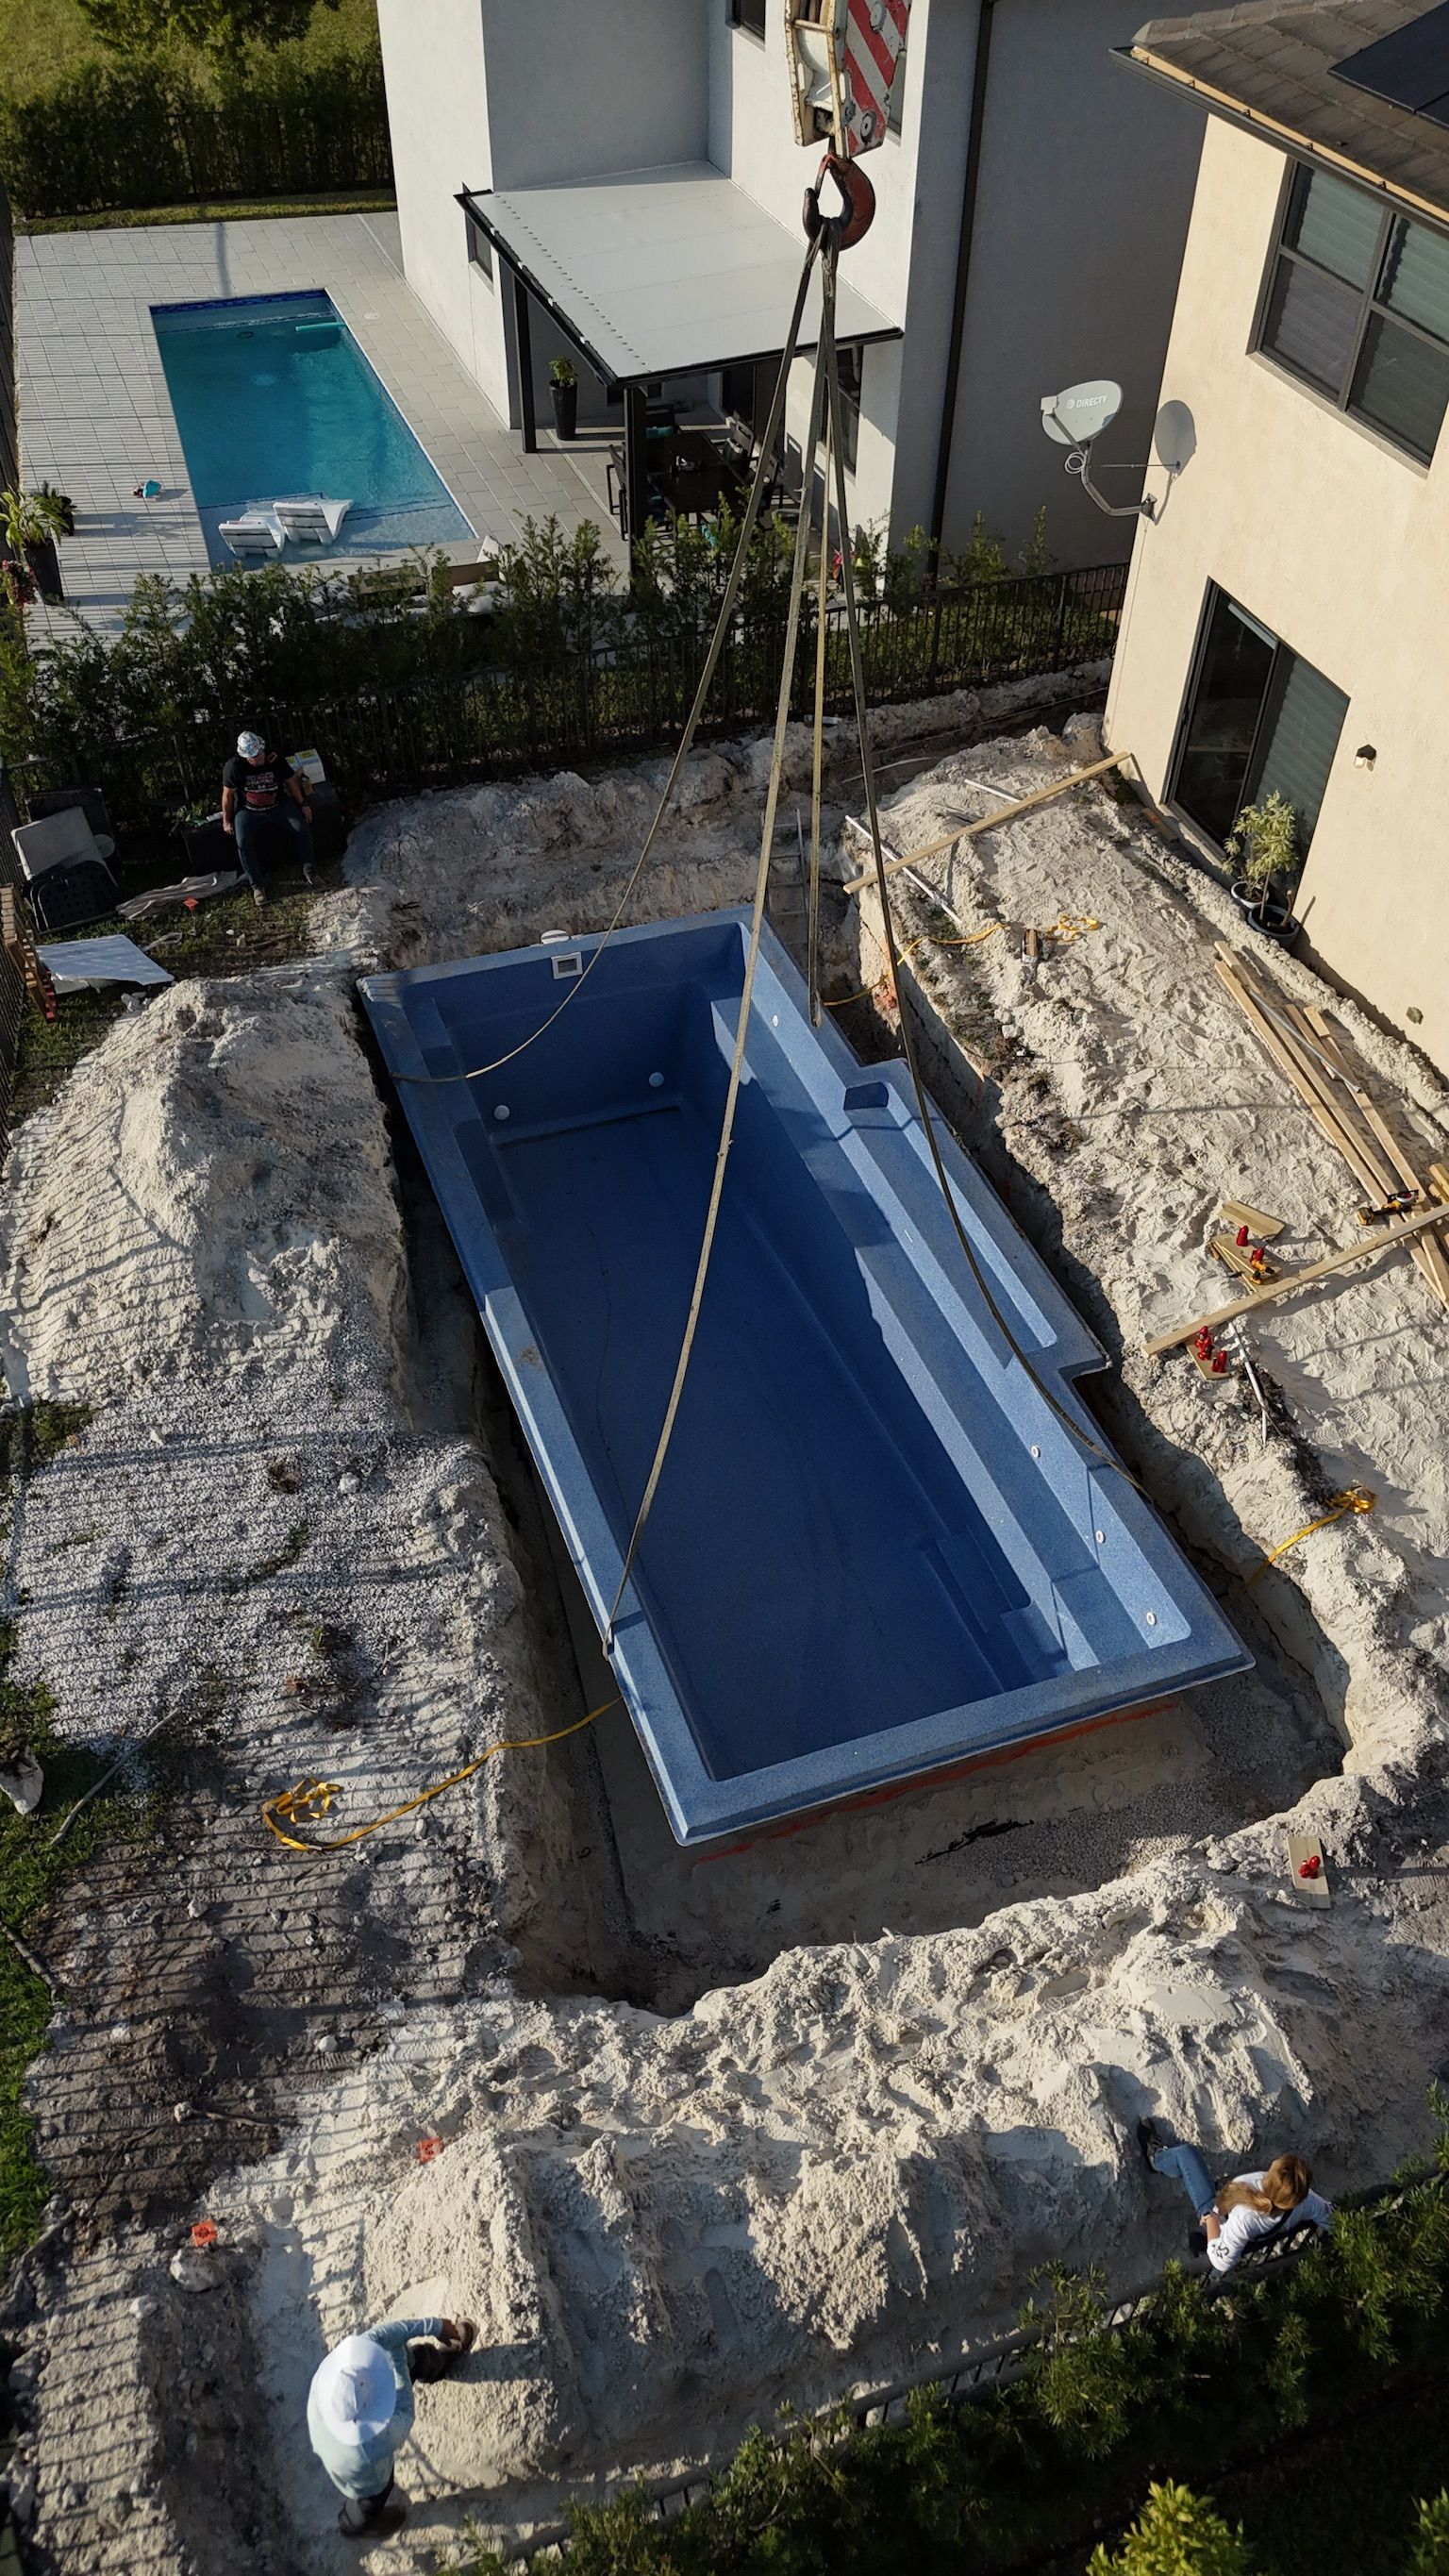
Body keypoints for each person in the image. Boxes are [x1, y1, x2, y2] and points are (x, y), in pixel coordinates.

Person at [308, 2312, 477, 2537]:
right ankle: (356, 2525)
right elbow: (405, 2415)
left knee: (412, 2361)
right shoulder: (368, 2447)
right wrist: (397, 2356)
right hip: (360, 2474)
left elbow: (380, 2335)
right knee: (372, 2496)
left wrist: (434, 2326)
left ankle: (435, 2363)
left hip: (323, 2436)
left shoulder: (329, 2381)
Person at [1138, 2118, 1333, 2275]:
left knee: (1185, 2155)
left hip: (1218, 2216)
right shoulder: (1307, 2202)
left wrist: (1212, 2221)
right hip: (1239, 2221)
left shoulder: (1245, 2218)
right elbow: (1333, 2220)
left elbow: (1220, 2261)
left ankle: (1156, 2159)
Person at [221, 728, 315, 907]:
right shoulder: (234, 766)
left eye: (260, 754)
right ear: (245, 756)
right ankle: (257, 886)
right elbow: (227, 796)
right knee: (243, 842)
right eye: (253, 757)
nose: (258, 759)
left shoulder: (274, 758)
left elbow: (291, 783)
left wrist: (303, 804)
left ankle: (310, 872)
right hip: (249, 810)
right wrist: (227, 819)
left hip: (278, 804)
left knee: (301, 828)